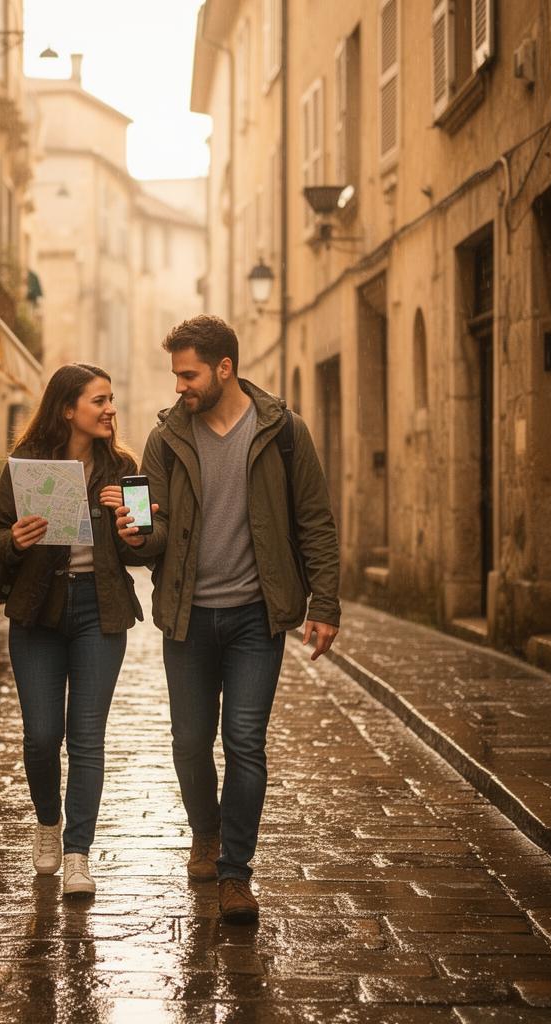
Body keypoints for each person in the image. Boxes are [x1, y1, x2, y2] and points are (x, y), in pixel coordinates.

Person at [116, 314, 341, 925]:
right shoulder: (165, 439)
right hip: (187, 617)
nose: (180, 385)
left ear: (224, 368)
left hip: (253, 618)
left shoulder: (283, 432)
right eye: (175, 375)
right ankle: (206, 835)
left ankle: (236, 873)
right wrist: (135, 535)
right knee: (190, 743)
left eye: (188, 374)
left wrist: (324, 603)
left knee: (245, 743)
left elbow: (314, 520)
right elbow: (155, 535)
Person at [0, 363, 147, 898]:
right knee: (41, 736)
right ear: (67, 409)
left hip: (98, 611)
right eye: (98, 401)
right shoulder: (27, 465)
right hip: (38, 611)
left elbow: (142, 547)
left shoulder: (122, 466)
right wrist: (17, 539)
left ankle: (78, 853)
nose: (109, 410)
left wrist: (128, 520)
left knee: (86, 738)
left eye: (111, 399)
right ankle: (48, 824)